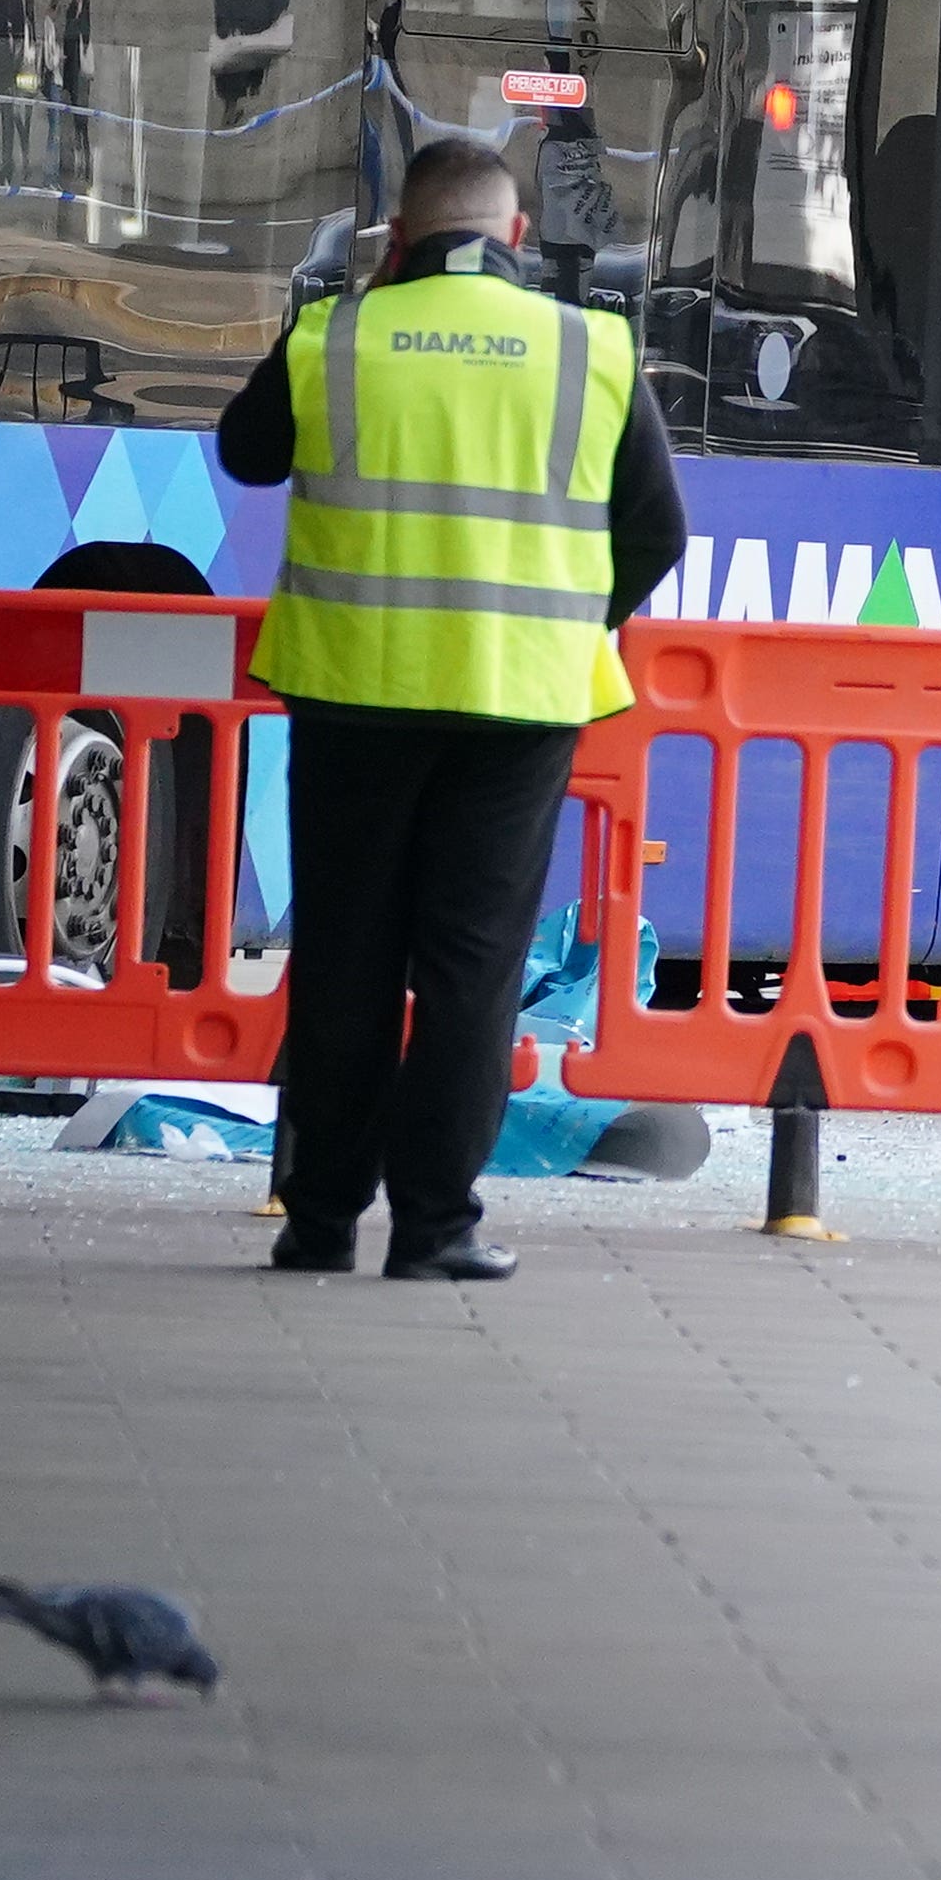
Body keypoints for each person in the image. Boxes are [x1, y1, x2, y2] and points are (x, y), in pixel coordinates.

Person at [216, 136, 687, 1281]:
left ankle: (319, 1219)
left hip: (352, 697)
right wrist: (563, 624)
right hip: (517, 708)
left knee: (344, 963)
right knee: (471, 971)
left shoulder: (338, 336)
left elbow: (245, 452)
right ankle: (435, 1229)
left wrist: (369, 304)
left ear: (397, 239)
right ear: (516, 237)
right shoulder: (590, 348)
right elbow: (658, 531)